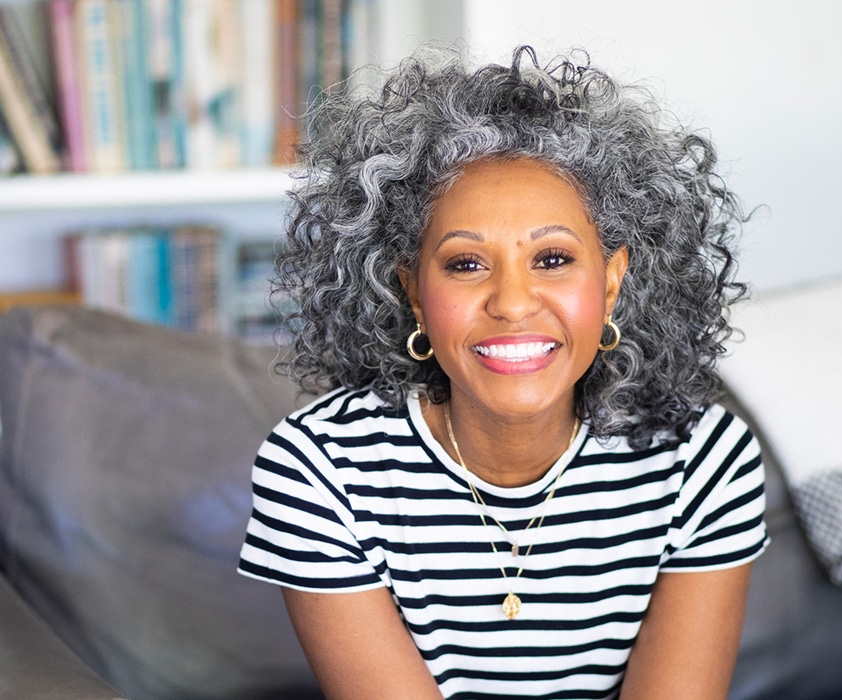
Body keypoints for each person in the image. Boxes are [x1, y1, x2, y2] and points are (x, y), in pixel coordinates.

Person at [238, 45, 768, 700]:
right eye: (466, 264)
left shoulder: (702, 460)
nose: (513, 303)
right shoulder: (318, 470)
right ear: (411, 291)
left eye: (551, 259)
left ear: (610, 284)